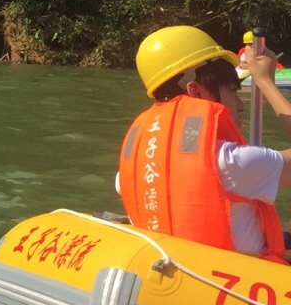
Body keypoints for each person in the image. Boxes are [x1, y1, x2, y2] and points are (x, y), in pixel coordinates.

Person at [119, 25, 291, 260]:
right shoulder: (231, 162)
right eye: (232, 91)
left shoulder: (133, 163)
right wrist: (265, 82)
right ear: (197, 92)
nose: (240, 105)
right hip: (244, 280)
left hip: (184, 274)